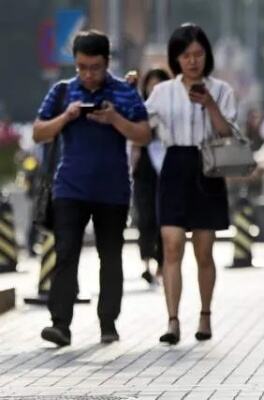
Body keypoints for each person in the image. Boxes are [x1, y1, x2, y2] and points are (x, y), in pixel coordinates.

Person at [33, 30, 151, 346]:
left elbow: (143, 135)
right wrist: (67, 117)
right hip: (69, 188)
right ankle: (60, 324)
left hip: (113, 191)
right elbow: (38, 132)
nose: (88, 74)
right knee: (66, 252)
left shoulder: (124, 93)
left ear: (107, 62)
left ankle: (108, 322)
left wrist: (115, 119)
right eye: (82, 67)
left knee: (110, 257)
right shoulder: (61, 92)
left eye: (95, 67)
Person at [145, 23, 236, 345]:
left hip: (207, 166)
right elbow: (145, 127)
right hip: (174, 166)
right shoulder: (162, 91)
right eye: (186, 55)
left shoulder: (221, 89)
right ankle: (172, 320)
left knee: (204, 249)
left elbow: (228, 133)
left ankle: (205, 314)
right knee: (170, 245)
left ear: (206, 55)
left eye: (198, 54)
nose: (192, 61)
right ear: (176, 58)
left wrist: (210, 104)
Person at [129, 68, 170, 285]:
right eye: (150, 85)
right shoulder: (140, 110)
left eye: (159, 86)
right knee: (145, 218)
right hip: (144, 170)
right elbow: (133, 140)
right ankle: (146, 262)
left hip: (167, 170)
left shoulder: (172, 110)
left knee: (164, 218)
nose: (154, 90)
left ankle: (163, 264)